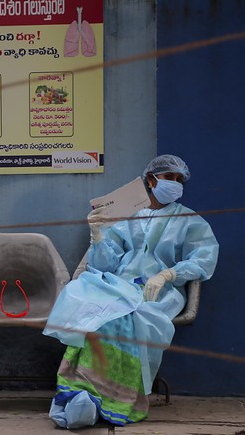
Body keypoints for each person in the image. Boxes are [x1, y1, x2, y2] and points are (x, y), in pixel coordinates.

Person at [43, 155, 219, 428]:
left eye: (179, 180)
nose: (175, 184)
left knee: (124, 320)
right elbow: (104, 264)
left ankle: (113, 400)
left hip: (158, 293)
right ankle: (80, 394)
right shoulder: (127, 216)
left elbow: (203, 258)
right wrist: (98, 236)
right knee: (93, 314)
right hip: (118, 285)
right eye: (169, 177)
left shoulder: (190, 221)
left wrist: (168, 273)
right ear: (151, 180)